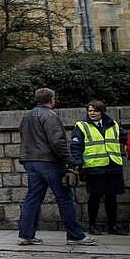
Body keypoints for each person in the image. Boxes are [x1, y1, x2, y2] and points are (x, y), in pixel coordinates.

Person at [18, 88, 94, 246]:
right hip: (49, 162)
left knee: (33, 198)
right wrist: (69, 160)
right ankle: (75, 235)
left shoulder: (27, 116)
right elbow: (57, 141)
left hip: (30, 161)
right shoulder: (50, 116)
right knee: (65, 198)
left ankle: (26, 234)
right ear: (51, 100)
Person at [70, 99, 130, 235]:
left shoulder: (113, 124)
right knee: (95, 198)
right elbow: (75, 146)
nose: (92, 113)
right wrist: (78, 164)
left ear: (102, 111)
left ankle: (112, 226)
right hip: (94, 167)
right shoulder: (81, 126)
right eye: (89, 110)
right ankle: (92, 225)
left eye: (95, 110)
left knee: (112, 198)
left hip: (113, 165)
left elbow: (127, 138)